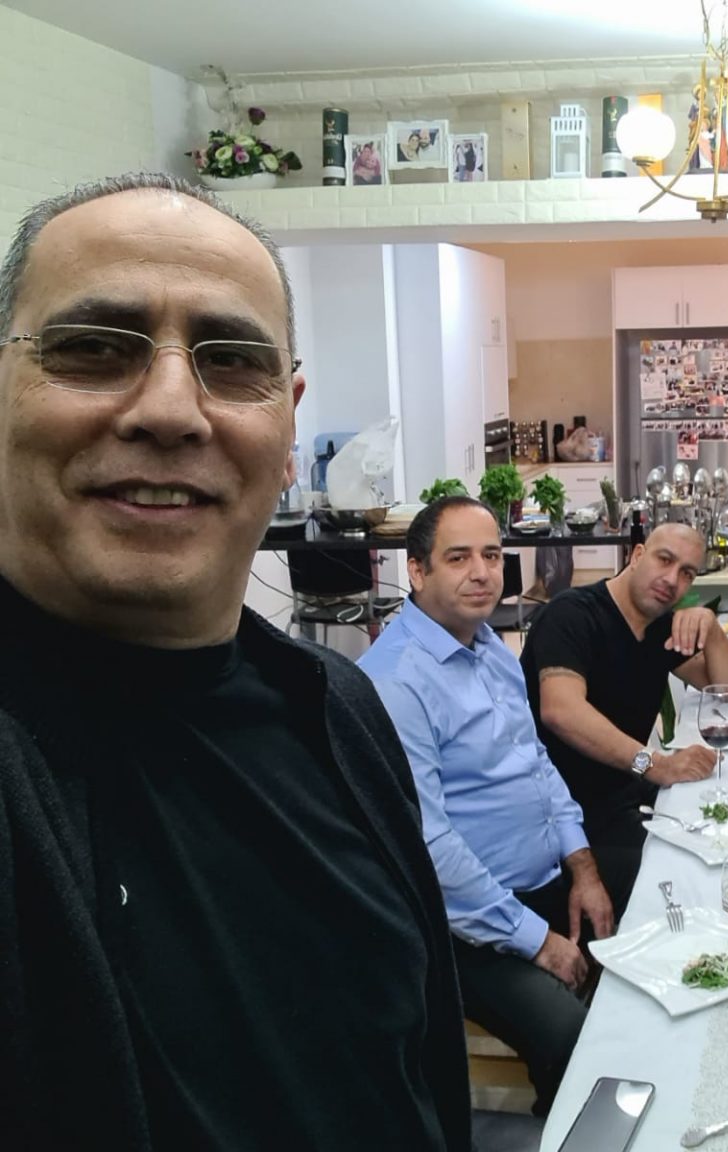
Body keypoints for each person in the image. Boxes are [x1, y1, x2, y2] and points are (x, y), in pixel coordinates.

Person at [0, 173, 469, 1148]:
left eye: (232, 361)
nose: (172, 410)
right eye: (95, 347)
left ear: (288, 426)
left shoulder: (341, 708)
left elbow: (419, 1066)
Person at [359, 496, 623, 1114]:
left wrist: (583, 869)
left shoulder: (492, 650)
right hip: (463, 927)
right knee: (574, 1038)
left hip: (539, 883)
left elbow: (537, 765)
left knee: (656, 899)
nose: (481, 572)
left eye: (492, 555)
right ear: (416, 571)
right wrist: (539, 942)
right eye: (458, 558)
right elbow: (430, 847)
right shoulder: (395, 683)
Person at [520, 523, 728, 890]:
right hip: (565, 819)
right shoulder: (571, 615)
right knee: (695, 878)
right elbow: (561, 711)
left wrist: (713, 630)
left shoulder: (658, 628)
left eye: (686, 573)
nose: (672, 580)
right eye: (664, 560)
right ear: (637, 555)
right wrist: (654, 764)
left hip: (622, 797)